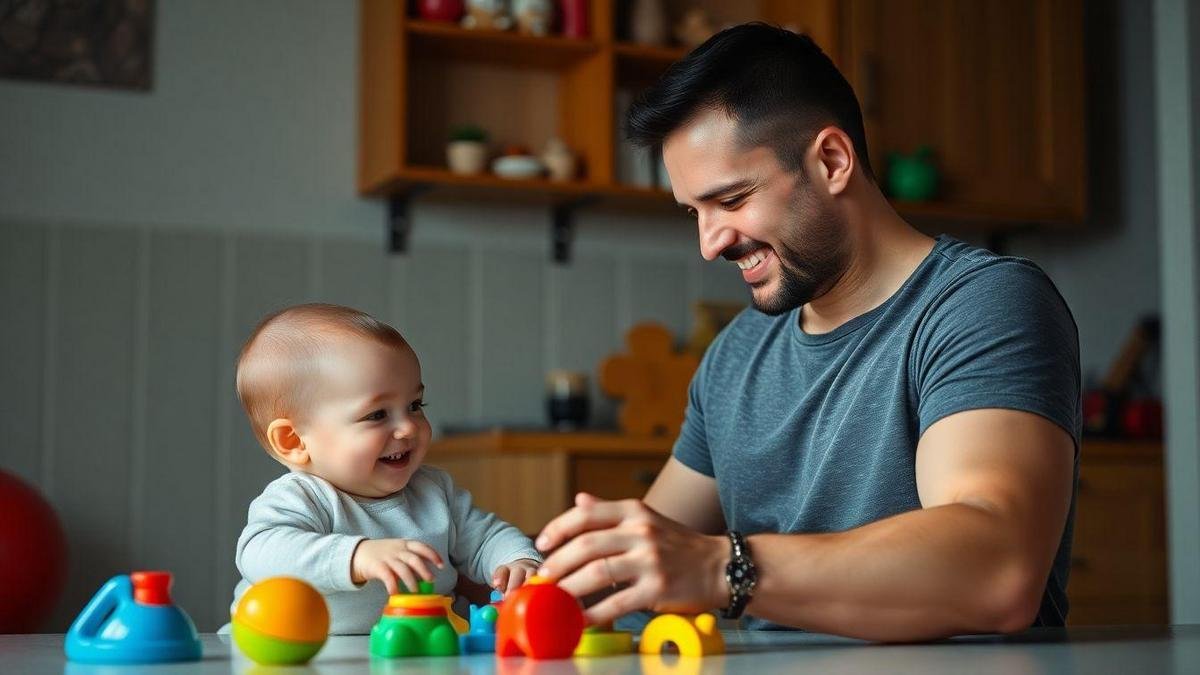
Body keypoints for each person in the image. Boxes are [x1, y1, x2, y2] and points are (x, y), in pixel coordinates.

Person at [535, 23, 1080, 642]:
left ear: (832, 160)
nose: (709, 244)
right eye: (695, 213)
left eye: (732, 200)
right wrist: (482, 560)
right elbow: (641, 562)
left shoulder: (982, 304)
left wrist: (725, 568)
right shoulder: (736, 354)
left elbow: (997, 568)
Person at [224, 303, 540, 634]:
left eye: (415, 406)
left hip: (419, 648)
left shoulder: (433, 491)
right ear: (294, 441)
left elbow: (487, 536)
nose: (407, 428)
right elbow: (261, 553)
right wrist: (357, 556)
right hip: (294, 656)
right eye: (377, 415)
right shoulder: (302, 498)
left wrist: (519, 562)